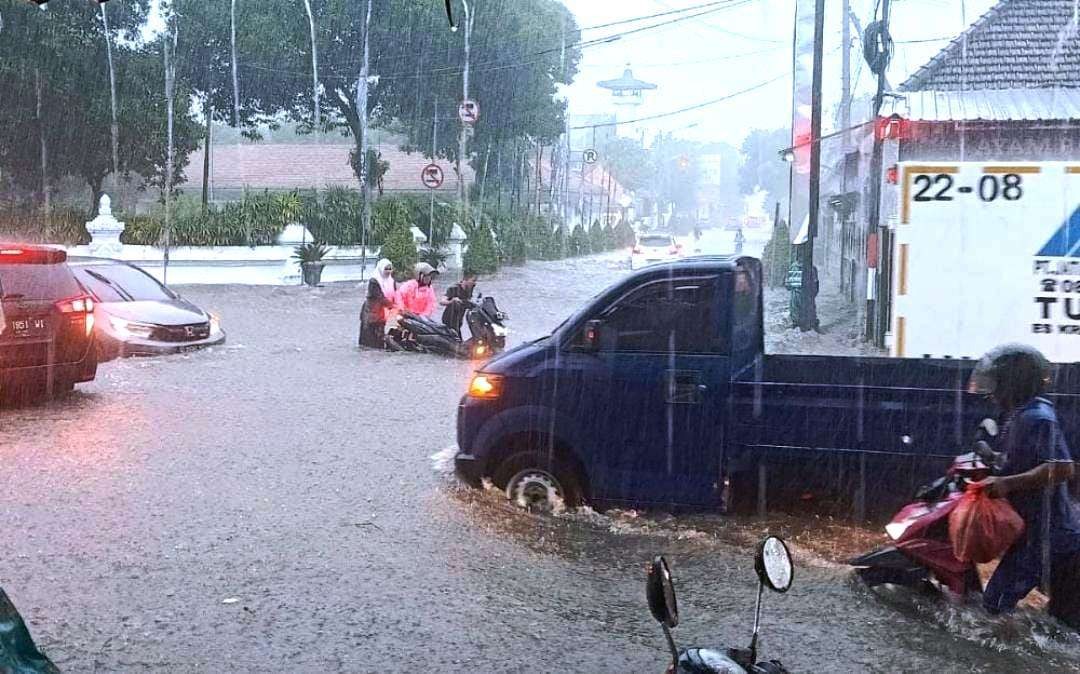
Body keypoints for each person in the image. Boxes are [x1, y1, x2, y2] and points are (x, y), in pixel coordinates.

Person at [973, 344, 1080, 630]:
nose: (991, 391)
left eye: (996, 383)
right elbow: (1024, 460)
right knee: (1063, 623)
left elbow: (1061, 467)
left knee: (995, 605)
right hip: (1040, 535)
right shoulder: (1021, 414)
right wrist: (993, 458)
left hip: (1048, 538)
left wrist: (1006, 483)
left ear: (1013, 383)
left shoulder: (1037, 417)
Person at [358, 258, 397, 349]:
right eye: (386, 269)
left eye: (390, 269)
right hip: (371, 313)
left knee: (380, 338)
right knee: (368, 339)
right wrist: (393, 306)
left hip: (383, 313)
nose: (388, 271)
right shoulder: (374, 281)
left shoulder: (392, 281)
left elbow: (395, 295)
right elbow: (379, 297)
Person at [441, 269, 477, 337]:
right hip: (449, 322)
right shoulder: (454, 289)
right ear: (465, 279)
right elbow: (442, 301)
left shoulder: (469, 289)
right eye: (473, 280)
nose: (475, 283)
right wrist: (452, 301)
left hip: (459, 322)